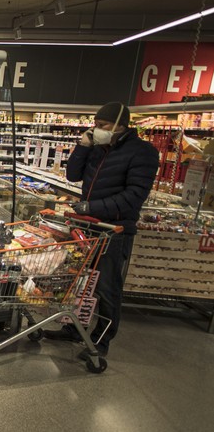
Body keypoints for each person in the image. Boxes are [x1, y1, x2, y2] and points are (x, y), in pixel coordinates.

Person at [44, 101, 160, 358]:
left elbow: (134, 196)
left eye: (102, 125)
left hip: (115, 230)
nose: (96, 129)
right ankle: (75, 329)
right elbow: (73, 175)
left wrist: (89, 206)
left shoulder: (143, 153)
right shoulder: (97, 147)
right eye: (95, 125)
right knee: (81, 282)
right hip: (87, 227)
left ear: (121, 125)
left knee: (107, 288)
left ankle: (101, 341)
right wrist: (83, 146)